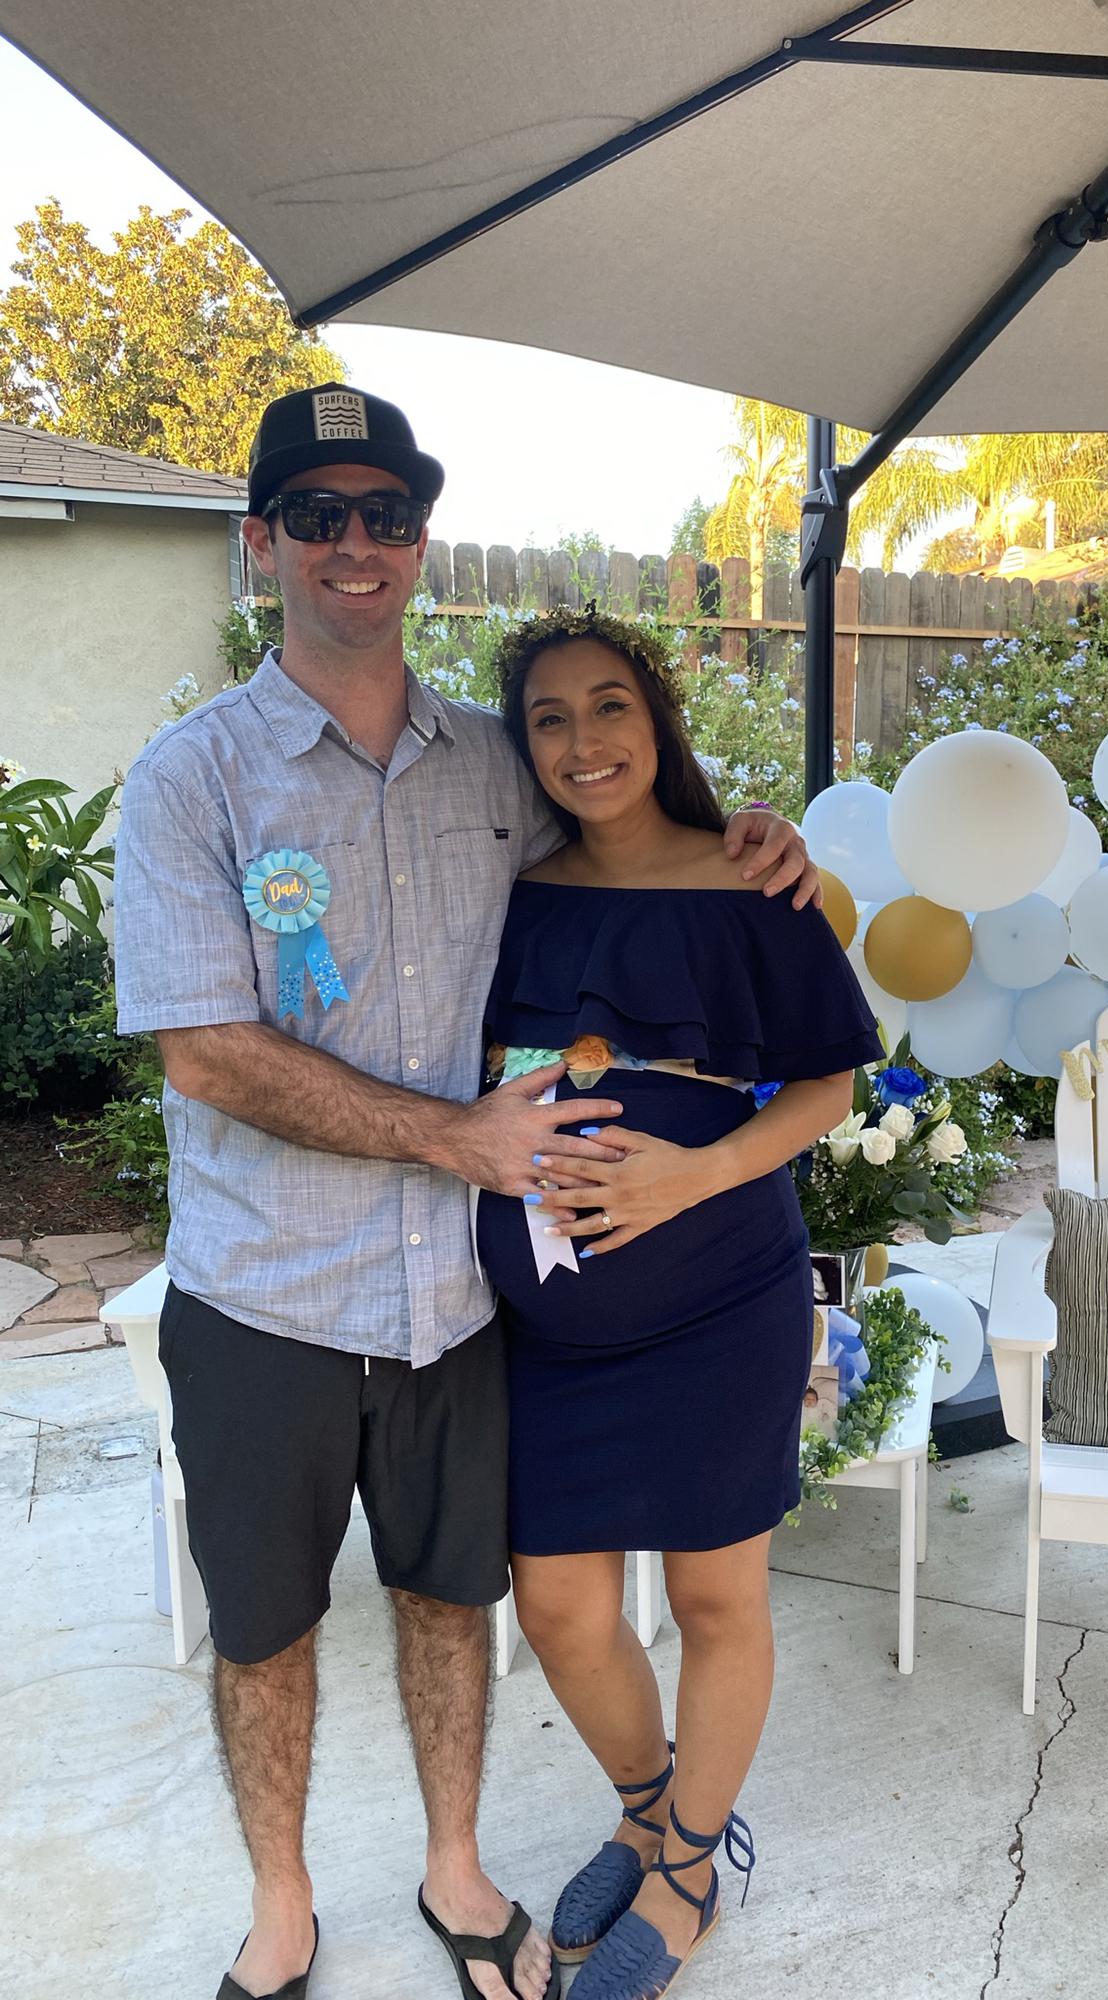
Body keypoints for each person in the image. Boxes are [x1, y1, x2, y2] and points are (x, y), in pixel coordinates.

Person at [112, 383, 818, 2000]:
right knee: (266, 1629)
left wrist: (765, 845)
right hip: (271, 1296)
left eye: (386, 513)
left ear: (422, 541)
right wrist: (457, 1140)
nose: (354, 543)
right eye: (318, 514)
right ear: (264, 543)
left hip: (462, 1302)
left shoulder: (501, 766)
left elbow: (640, 836)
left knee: (450, 1605)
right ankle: (281, 1905)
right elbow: (206, 1053)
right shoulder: (192, 780)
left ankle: (458, 1867)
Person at [474, 606, 882, 2000]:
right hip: (549, 1329)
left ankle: (694, 1866)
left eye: (609, 707)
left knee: (715, 1594)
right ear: (523, 747)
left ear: (655, 722)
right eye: (548, 718)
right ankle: (649, 1809)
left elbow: (828, 1086)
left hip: (721, 1303)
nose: (583, 741)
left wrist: (688, 1176)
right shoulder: (515, 895)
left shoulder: (750, 883)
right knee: (559, 1609)